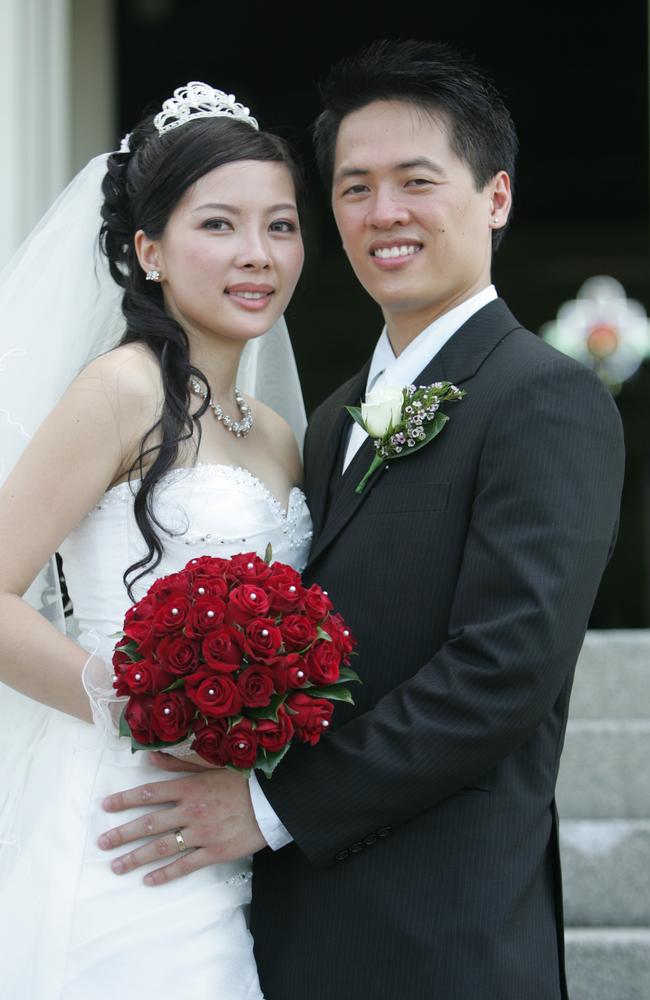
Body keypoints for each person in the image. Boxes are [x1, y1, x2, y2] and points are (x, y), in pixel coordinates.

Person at [99, 42, 625, 1000]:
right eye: (353, 188)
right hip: (285, 928)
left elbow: (502, 672)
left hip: (442, 934)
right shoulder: (332, 419)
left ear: (496, 198)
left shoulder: (545, 399)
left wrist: (265, 806)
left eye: (415, 181)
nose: (383, 213)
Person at [0, 82, 310, 998]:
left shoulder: (277, 435)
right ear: (149, 251)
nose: (257, 255)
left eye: (282, 226)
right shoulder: (124, 391)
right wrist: (136, 707)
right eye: (219, 225)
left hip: (238, 832)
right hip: (119, 818)